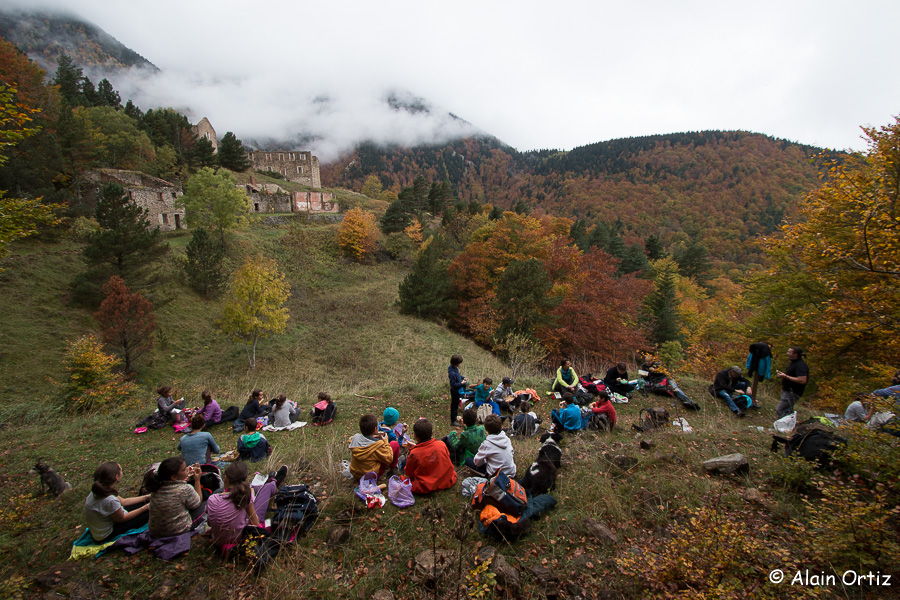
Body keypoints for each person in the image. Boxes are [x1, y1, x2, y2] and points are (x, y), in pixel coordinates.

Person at [206, 462, 288, 549]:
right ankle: (274, 482)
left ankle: (270, 481)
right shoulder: (244, 496)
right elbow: (255, 523)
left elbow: (210, 522)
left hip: (219, 541)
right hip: (242, 539)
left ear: (225, 478)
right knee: (267, 488)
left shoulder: (212, 499)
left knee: (256, 490)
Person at [84, 462, 150, 543]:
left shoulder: (101, 490)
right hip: (106, 535)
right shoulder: (109, 499)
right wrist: (146, 507)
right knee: (151, 511)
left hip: (104, 525)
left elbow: (123, 502)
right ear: (117, 477)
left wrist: (147, 497)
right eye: (121, 470)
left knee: (143, 504)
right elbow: (122, 519)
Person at [146, 457, 204, 539]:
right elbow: (197, 503)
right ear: (173, 477)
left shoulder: (157, 486)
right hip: (176, 531)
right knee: (207, 503)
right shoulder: (184, 489)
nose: (187, 469)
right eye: (184, 469)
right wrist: (197, 480)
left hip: (155, 532)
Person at [403, 419, 457, 494]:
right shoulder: (441, 444)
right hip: (446, 479)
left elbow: (408, 472)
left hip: (426, 485)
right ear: (432, 433)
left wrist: (411, 451)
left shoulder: (414, 453)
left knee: (403, 463)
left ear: (415, 436)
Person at [349, 414, 399, 480]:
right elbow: (389, 459)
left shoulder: (355, 437)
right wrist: (386, 442)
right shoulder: (378, 445)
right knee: (394, 444)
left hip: (355, 473)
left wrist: (371, 437)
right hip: (370, 477)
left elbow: (352, 439)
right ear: (375, 429)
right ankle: (392, 470)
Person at [775, 347, 810, 418]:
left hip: (793, 392)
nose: (787, 354)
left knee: (781, 409)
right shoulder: (794, 363)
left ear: (796, 355)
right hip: (787, 390)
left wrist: (785, 376)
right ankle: (789, 425)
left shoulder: (801, 365)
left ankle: (784, 426)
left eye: (789, 352)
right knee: (788, 410)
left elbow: (802, 380)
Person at [448, 355, 468, 427]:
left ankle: (455, 416)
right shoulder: (452, 373)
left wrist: (463, 377)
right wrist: (461, 383)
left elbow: (459, 376)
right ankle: (453, 420)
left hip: (457, 390)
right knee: (454, 405)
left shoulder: (455, 368)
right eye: (459, 363)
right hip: (455, 391)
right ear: (456, 363)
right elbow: (453, 384)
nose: (460, 364)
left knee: (456, 404)